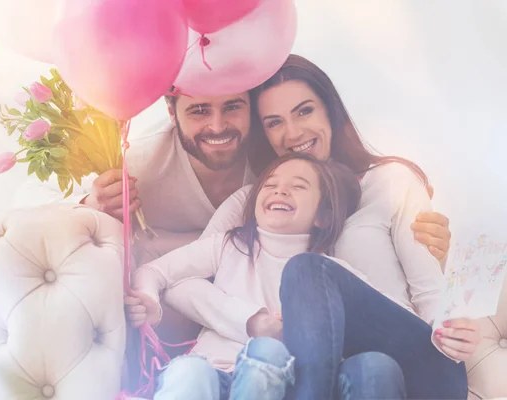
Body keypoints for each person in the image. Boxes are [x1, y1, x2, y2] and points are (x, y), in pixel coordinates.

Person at [151, 54, 480, 398]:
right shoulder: (256, 202)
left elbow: (430, 295)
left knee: (308, 270)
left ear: (330, 111)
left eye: (304, 111)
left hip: (412, 364)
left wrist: (454, 325)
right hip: (353, 377)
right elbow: (181, 282)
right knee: (369, 366)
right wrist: (253, 320)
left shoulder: (391, 182)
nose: (293, 133)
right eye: (274, 122)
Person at [126, 153, 471, 400]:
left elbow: (388, 319)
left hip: (287, 381)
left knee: (274, 355)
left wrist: (445, 331)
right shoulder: (229, 245)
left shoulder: (331, 274)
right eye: (270, 184)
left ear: (322, 215)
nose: (279, 190)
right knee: (189, 371)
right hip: (217, 372)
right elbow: (157, 272)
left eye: (299, 186)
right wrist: (150, 300)